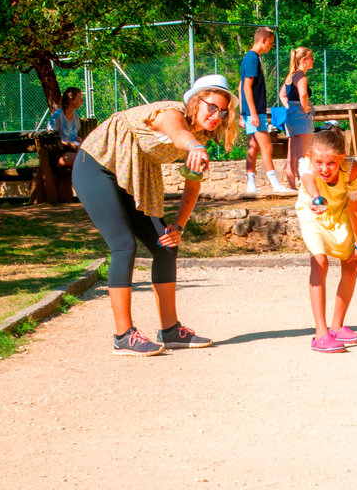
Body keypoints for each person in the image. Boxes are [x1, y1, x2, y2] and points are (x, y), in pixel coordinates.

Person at [73, 74, 238, 357]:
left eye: (223, 112)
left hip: (133, 175)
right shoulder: (172, 114)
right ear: (196, 102)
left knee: (166, 245)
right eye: (212, 107)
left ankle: (171, 330)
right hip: (97, 166)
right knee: (124, 245)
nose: (218, 116)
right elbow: (178, 134)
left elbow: (193, 186)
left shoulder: (197, 140)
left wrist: (179, 227)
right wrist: (194, 146)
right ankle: (123, 336)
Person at [295, 128, 357, 353]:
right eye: (319, 163)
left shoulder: (352, 169)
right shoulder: (308, 165)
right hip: (313, 211)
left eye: (331, 164)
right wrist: (316, 197)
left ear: (342, 159)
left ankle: (336, 327)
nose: (324, 169)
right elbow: (308, 180)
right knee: (320, 261)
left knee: (353, 264)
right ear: (310, 157)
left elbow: (354, 207)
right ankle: (320, 333)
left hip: (340, 213)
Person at [240, 27, 285, 193]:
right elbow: (246, 86)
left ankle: (251, 185)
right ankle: (276, 185)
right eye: (271, 43)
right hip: (254, 111)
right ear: (263, 40)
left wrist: (242, 113)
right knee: (266, 146)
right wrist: (252, 113)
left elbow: (240, 85)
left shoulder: (248, 58)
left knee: (254, 146)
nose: (271, 46)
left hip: (249, 111)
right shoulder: (252, 58)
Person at [279, 47, 315, 189]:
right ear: (304, 60)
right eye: (311, 58)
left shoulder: (290, 76)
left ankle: (292, 186)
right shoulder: (301, 76)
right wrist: (305, 107)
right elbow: (303, 94)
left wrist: (290, 107)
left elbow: (282, 95)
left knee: (291, 154)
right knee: (303, 153)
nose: (313, 61)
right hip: (301, 117)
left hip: (291, 116)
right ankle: (303, 185)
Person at [49, 86, 84, 169]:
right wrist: (69, 144)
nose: (82, 101)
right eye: (79, 98)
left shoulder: (76, 117)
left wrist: (78, 139)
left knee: (87, 159)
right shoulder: (58, 116)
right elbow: (49, 139)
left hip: (74, 151)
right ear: (70, 99)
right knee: (82, 161)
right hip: (61, 155)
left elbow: (73, 136)